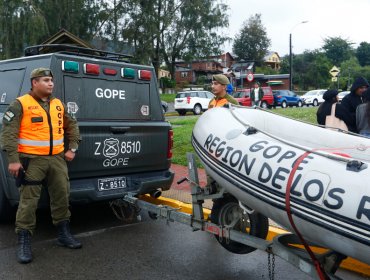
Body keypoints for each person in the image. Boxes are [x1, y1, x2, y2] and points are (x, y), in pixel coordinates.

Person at [0, 68, 82, 264]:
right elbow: (8, 133)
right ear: (34, 83)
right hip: (31, 161)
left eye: (51, 80)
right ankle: (24, 240)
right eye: (46, 80)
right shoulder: (20, 104)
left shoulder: (58, 104)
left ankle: (63, 234)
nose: (51, 83)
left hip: (57, 160)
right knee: (28, 201)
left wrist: (73, 147)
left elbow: (73, 125)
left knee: (62, 195)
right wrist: (13, 159)